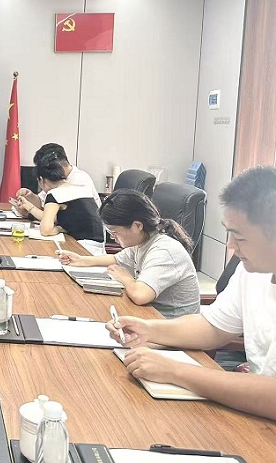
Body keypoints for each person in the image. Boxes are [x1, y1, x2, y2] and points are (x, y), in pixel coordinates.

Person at [106, 166, 276, 420]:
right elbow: (213, 328)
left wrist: (176, 371)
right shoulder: (251, 271)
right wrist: (149, 330)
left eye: (240, 238)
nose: (231, 246)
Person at [58, 189, 200, 318]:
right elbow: (117, 259)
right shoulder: (144, 239)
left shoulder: (165, 251)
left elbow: (140, 295)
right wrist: (82, 260)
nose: (113, 238)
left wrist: (126, 278)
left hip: (171, 325)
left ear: (137, 226)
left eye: (115, 232)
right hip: (150, 315)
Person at [16, 154, 104, 255]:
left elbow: (46, 230)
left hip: (83, 249)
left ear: (42, 180)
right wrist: (28, 206)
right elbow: (51, 218)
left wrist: (59, 229)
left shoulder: (55, 194)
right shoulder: (80, 188)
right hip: (98, 249)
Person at [17, 143, 101, 210]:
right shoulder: (55, 179)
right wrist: (31, 196)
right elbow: (42, 202)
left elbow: (54, 216)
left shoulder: (80, 180)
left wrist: (30, 209)